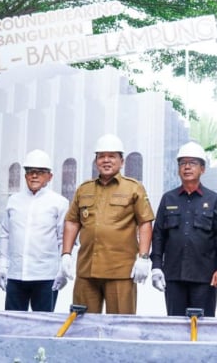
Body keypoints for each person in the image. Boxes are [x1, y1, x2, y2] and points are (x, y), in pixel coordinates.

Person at [60, 134, 155, 314]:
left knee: (120, 327)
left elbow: (145, 223)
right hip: (87, 270)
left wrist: (143, 257)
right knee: (82, 325)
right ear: (96, 161)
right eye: (101, 156)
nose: (106, 160)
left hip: (120, 271)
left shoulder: (134, 188)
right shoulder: (84, 189)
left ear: (122, 161)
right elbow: (72, 221)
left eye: (111, 156)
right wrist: (66, 254)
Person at [150, 142, 217, 317]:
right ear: (178, 169)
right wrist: (156, 266)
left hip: (205, 277)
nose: (187, 167)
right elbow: (158, 236)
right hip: (173, 276)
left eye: (192, 163)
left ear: (203, 169)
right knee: (175, 326)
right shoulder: (168, 198)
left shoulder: (214, 199)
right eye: (182, 163)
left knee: (203, 326)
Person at [0, 149, 69, 311]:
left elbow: (62, 238)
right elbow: (5, 235)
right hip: (16, 276)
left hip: (46, 277)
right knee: (13, 324)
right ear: (25, 176)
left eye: (40, 172)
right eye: (30, 171)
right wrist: (2, 266)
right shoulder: (13, 201)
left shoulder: (59, 203)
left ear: (49, 177)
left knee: (44, 326)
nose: (34, 176)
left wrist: (61, 271)